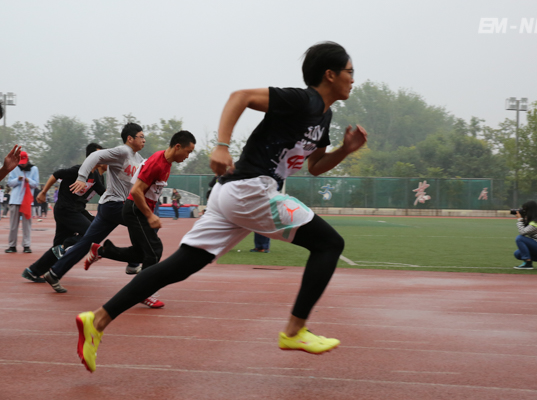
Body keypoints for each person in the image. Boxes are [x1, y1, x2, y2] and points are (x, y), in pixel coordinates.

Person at [75, 41, 367, 373]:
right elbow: (240, 97)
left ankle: (97, 320)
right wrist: (222, 146)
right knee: (329, 243)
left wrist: (345, 150)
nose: (353, 79)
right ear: (330, 74)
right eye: (350, 71)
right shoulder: (304, 100)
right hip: (251, 190)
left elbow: (315, 166)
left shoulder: (324, 116)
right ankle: (294, 330)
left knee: (182, 265)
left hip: (235, 194)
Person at [42, 123, 153, 307]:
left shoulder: (137, 158)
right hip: (114, 205)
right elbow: (94, 156)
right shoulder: (122, 151)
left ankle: (54, 273)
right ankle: (133, 263)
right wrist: (82, 177)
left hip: (109, 207)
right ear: (130, 138)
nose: (144, 140)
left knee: (86, 242)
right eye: (141, 136)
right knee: (146, 225)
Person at [83, 131, 196, 274]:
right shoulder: (157, 163)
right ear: (178, 147)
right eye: (188, 152)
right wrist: (150, 216)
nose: (187, 156)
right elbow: (136, 191)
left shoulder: (166, 163)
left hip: (138, 210)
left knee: (141, 253)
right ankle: (144, 286)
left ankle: (102, 251)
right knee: (154, 251)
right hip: (135, 210)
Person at [21, 143, 106, 283]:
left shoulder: (95, 175)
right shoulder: (78, 170)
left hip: (74, 210)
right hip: (65, 209)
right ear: (92, 157)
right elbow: (56, 174)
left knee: (58, 247)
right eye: (100, 155)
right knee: (90, 231)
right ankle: (65, 246)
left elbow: (104, 193)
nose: (104, 158)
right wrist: (43, 192)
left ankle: (33, 271)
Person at [6, 150, 38, 253]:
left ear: (27, 160)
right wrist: (18, 180)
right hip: (15, 200)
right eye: (21, 163)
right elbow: (9, 183)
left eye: (24, 163)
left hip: (27, 201)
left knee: (27, 225)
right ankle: (12, 246)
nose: (22, 165)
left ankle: (26, 245)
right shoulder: (14, 168)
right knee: (13, 225)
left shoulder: (34, 169)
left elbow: (36, 184)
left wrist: (29, 180)